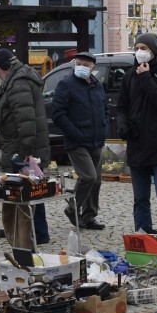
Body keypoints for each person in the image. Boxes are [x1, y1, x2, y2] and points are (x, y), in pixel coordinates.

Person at [116, 33, 157, 248]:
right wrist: (122, 124)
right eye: (137, 47)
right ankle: (143, 240)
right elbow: (122, 106)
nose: (139, 51)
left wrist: (146, 78)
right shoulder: (129, 76)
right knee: (140, 199)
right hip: (138, 143)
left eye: (144, 47)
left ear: (154, 50)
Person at [0, 48, 51, 248]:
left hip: (20, 145)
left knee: (25, 187)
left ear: (2, 68)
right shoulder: (19, 77)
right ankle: (35, 229)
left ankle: (32, 230)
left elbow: (25, 119)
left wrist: (26, 150)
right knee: (33, 186)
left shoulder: (17, 82)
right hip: (19, 143)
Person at [51, 51, 109, 230]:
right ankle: (72, 208)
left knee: (96, 180)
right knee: (88, 176)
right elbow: (58, 113)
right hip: (76, 141)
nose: (82, 67)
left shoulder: (97, 85)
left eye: (86, 65)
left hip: (96, 139)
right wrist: (74, 133)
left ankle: (89, 217)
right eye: (79, 64)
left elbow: (105, 108)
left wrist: (104, 126)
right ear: (74, 64)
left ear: (93, 68)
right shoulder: (66, 84)